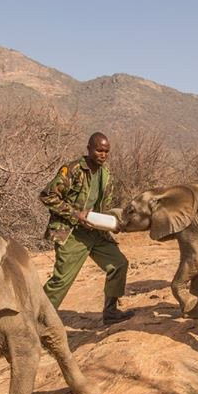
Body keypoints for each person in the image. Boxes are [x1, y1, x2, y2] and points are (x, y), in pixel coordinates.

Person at [40, 132, 134, 324]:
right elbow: (47, 196)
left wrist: (113, 222)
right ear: (89, 148)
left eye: (106, 151)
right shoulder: (73, 170)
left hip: (96, 232)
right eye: (99, 150)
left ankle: (110, 312)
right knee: (62, 280)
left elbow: (103, 207)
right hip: (72, 233)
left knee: (119, 264)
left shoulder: (106, 175)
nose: (103, 155)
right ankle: (35, 320)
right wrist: (75, 214)